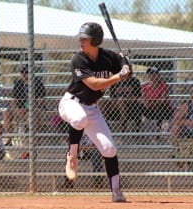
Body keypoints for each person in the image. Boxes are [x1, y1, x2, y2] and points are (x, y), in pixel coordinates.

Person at [58, 22, 131, 202]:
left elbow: (127, 69)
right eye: (81, 38)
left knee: (109, 149)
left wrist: (125, 63)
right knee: (80, 118)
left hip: (92, 108)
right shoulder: (78, 59)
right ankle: (72, 156)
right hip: (71, 103)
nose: (81, 41)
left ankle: (116, 191)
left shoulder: (108, 57)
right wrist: (119, 75)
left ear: (96, 40)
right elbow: (94, 84)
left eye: (85, 39)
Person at [3, 64, 46, 148]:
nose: (24, 74)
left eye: (26, 72)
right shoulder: (19, 83)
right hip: (19, 110)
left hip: (34, 109)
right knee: (7, 113)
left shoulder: (37, 83)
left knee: (34, 114)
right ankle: (9, 139)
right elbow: (14, 101)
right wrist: (16, 109)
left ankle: (35, 141)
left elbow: (40, 102)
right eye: (22, 72)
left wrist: (27, 109)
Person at [141, 66, 173, 132]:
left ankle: (158, 128)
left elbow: (162, 100)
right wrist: (153, 102)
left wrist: (150, 102)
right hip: (150, 109)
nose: (152, 75)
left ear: (158, 75)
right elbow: (145, 102)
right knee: (139, 107)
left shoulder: (163, 85)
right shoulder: (144, 86)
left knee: (160, 106)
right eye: (150, 73)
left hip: (163, 109)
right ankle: (138, 129)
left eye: (154, 73)